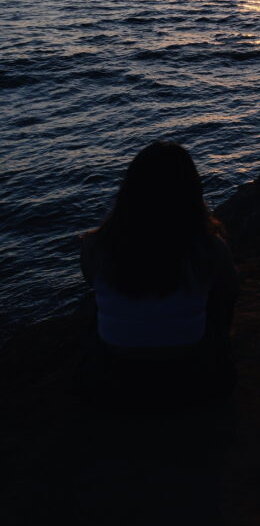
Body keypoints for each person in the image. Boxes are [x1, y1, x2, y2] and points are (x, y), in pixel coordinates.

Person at [79, 140, 238, 409]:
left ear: (129, 190)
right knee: (217, 290)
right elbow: (229, 293)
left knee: (94, 305)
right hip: (192, 361)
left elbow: (91, 280)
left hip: (115, 364)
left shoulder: (94, 245)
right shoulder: (209, 247)